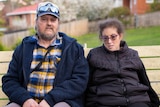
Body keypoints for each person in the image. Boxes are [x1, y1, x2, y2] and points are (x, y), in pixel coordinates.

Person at [2, 1, 89, 107]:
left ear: (58, 23)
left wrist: (50, 100)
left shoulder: (73, 48)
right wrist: (24, 99)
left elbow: (80, 80)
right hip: (27, 103)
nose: (49, 23)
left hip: (59, 102)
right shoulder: (23, 48)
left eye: (53, 20)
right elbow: (9, 80)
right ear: (36, 22)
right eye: (44, 19)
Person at [85, 18, 159, 107]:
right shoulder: (95, 55)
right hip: (106, 101)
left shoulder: (132, 55)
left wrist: (154, 102)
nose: (109, 41)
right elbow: (86, 82)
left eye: (113, 37)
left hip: (136, 100)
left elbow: (144, 80)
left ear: (120, 35)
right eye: (105, 38)